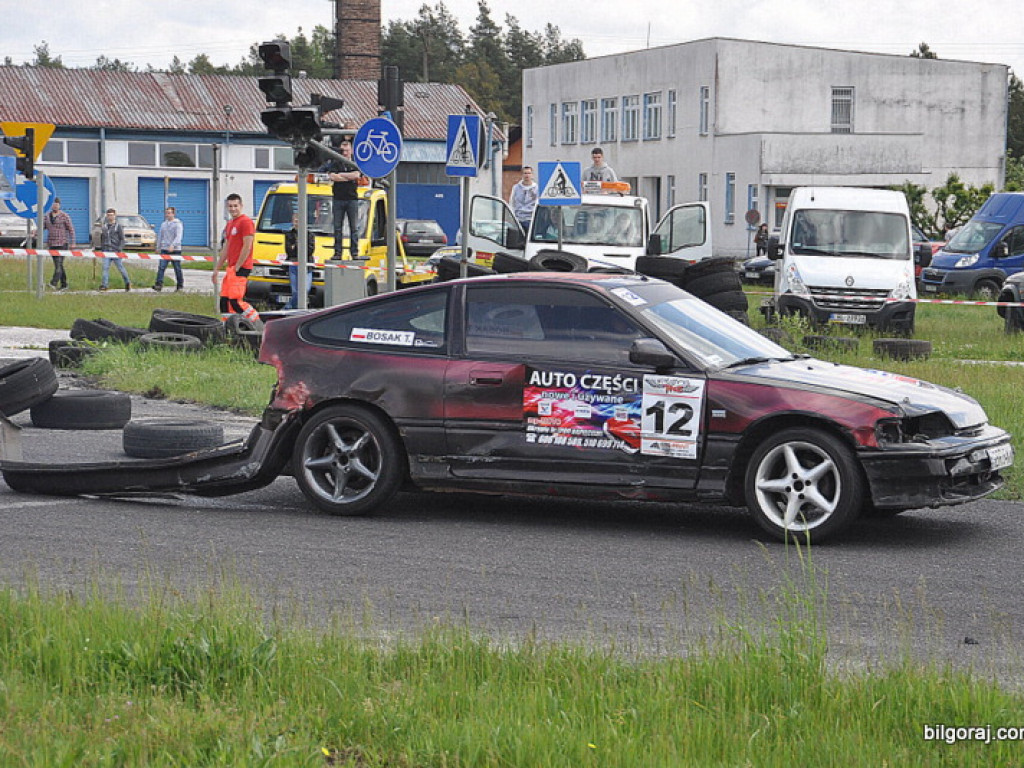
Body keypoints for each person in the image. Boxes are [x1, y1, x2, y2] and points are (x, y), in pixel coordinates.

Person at [212, 193, 260, 322]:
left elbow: (247, 246)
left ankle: (258, 324)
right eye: (230, 206)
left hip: (241, 267)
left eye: (235, 206)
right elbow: (226, 248)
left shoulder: (246, 222)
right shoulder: (230, 224)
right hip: (231, 268)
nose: (233, 209)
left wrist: (238, 266)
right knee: (224, 302)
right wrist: (217, 268)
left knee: (236, 301)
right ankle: (228, 328)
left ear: (241, 206)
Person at [324, 136, 363, 260]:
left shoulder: (356, 163)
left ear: (351, 151)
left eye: (346, 150)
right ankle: (338, 252)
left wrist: (341, 176)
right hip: (338, 199)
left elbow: (357, 175)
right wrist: (347, 177)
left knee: (354, 228)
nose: (344, 153)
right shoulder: (335, 163)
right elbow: (332, 177)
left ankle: (354, 253)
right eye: (342, 151)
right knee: (337, 227)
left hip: (352, 199)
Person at [284, 212, 316, 310]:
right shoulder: (289, 235)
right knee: (295, 291)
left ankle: (288, 307)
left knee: (305, 289)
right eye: (295, 221)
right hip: (293, 265)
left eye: (299, 221)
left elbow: (310, 250)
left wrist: (296, 245)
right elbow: (289, 250)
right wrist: (300, 245)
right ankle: (295, 310)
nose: (297, 223)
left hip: (307, 265)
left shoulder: (310, 235)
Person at [43, 197, 75, 291]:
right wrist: (34, 233)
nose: (55, 206)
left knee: (59, 264)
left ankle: (53, 282)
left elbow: (71, 229)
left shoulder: (64, 216)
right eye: (53, 204)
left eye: (56, 204)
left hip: (62, 243)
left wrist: (73, 242)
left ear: (59, 205)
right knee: (59, 265)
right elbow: (42, 227)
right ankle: (64, 285)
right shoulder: (47, 216)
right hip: (52, 243)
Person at [98, 208, 131, 291]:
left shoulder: (118, 227)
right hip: (106, 251)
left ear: (115, 216)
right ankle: (104, 285)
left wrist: (119, 249)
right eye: (108, 215)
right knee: (105, 268)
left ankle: (127, 282)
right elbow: (102, 238)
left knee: (121, 268)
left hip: (116, 251)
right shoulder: (104, 226)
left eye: (112, 215)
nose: (110, 217)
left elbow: (122, 239)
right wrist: (102, 248)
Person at [153, 206, 184, 291]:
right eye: (166, 213)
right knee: (161, 267)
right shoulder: (163, 224)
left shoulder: (178, 224)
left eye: (169, 213)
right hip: (164, 249)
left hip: (175, 250)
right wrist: (158, 247)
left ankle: (180, 285)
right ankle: (158, 284)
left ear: (173, 214)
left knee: (177, 267)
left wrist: (173, 245)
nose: (167, 215)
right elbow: (160, 236)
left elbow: (179, 236)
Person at [509, 166, 538, 231]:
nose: (527, 175)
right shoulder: (516, 188)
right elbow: (511, 202)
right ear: (522, 175)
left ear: (532, 175)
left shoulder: (537, 189)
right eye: (525, 173)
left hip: (531, 219)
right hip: (518, 219)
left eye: (529, 173)